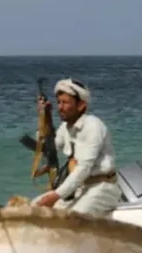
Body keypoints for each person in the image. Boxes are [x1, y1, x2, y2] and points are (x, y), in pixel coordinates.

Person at [33, 78, 122, 216]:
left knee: (73, 218)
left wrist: (56, 195)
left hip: (102, 189)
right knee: (34, 207)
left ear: (81, 105)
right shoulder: (65, 127)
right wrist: (46, 117)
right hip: (79, 189)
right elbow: (48, 150)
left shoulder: (93, 126)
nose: (60, 107)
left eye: (65, 102)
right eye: (59, 102)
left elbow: (83, 169)